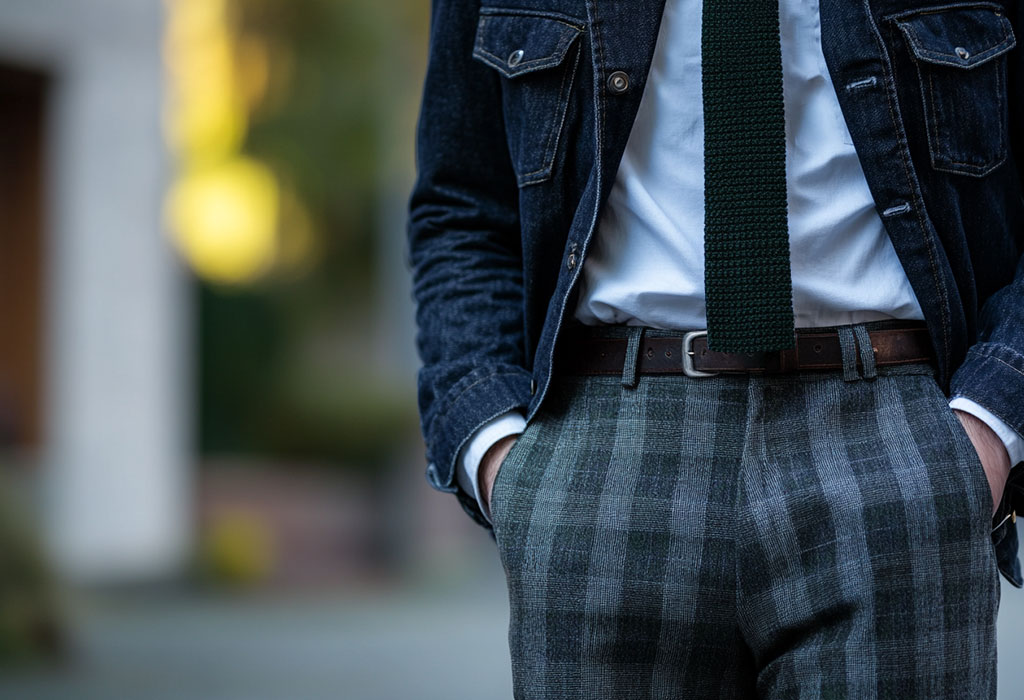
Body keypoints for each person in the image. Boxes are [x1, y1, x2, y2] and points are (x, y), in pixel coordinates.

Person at [407, 0, 1023, 696]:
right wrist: (496, 454)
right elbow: (462, 202)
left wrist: (988, 432)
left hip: (896, 442)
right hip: (602, 452)